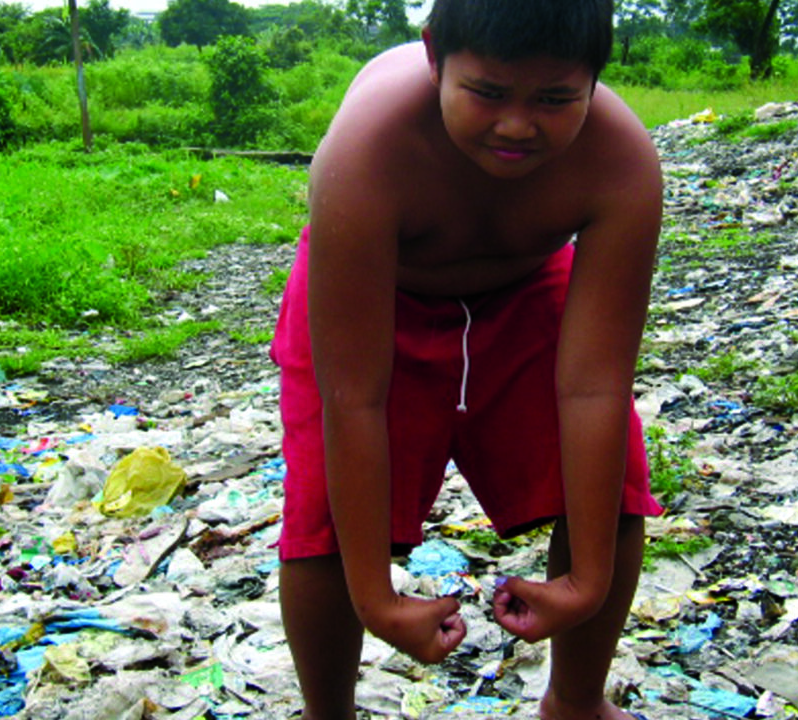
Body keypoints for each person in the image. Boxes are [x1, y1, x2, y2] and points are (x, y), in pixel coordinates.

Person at [269, 0, 664, 717]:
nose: (517, 125)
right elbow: (354, 399)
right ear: (434, 57)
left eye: (555, 99)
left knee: (614, 485)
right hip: (374, 295)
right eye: (487, 92)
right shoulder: (369, 151)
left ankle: (576, 703)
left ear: (595, 79)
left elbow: (595, 387)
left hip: (527, 289)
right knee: (325, 516)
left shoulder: (620, 161)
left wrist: (588, 583)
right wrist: (376, 600)